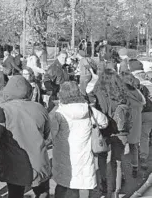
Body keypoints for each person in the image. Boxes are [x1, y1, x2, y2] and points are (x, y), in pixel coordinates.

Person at [0, 76, 52, 198]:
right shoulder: (39, 108)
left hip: (13, 165)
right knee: (42, 193)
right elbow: (47, 134)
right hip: (39, 162)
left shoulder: (2, 110)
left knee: (15, 194)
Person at [51, 82, 108, 198]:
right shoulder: (88, 109)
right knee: (83, 184)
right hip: (84, 155)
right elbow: (104, 122)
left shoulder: (58, 113)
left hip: (64, 155)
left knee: (65, 185)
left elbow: (50, 133)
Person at [88, 69, 130, 197]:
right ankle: (116, 191)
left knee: (101, 158)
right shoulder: (122, 94)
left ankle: (103, 184)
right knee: (117, 161)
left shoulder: (96, 94)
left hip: (103, 131)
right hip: (120, 131)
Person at [121, 71, 146, 178]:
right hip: (136, 123)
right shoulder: (137, 92)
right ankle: (135, 167)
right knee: (134, 147)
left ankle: (120, 173)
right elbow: (143, 102)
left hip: (123, 124)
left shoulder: (122, 92)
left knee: (120, 149)